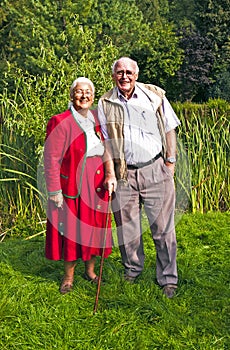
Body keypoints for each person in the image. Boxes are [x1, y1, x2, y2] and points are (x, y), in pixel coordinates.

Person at [98, 57, 180, 298]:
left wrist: (170, 164)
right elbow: (106, 142)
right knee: (127, 228)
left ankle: (168, 278)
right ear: (113, 75)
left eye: (128, 72)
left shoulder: (154, 95)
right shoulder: (105, 102)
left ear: (136, 73)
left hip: (155, 168)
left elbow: (169, 128)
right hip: (124, 174)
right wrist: (111, 174)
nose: (124, 76)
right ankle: (132, 270)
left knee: (163, 228)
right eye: (119, 72)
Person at [44, 77, 112, 294]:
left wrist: (110, 174)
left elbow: (106, 148)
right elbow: (51, 158)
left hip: (97, 187)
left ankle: (89, 271)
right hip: (72, 188)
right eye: (79, 92)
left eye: (88, 92)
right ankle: (68, 277)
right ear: (72, 95)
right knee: (72, 232)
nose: (84, 96)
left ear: (93, 96)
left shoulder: (96, 119)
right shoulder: (59, 121)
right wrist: (55, 190)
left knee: (93, 231)